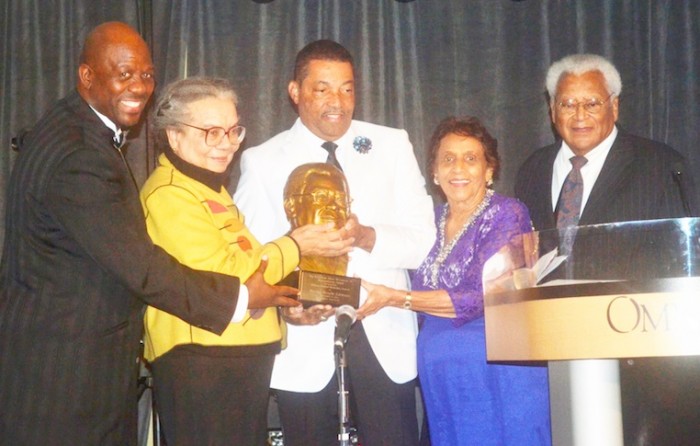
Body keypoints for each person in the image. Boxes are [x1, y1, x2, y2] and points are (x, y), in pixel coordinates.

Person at [0, 23, 296, 446]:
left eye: (146, 74)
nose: (138, 86)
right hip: (63, 375)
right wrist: (244, 296)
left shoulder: (78, 135)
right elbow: (144, 270)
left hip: (73, 366)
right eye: (124, 74)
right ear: (87, 76)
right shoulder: (80, 154)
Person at [234, 39, 435, 445]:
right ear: (296, 92)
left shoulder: (392, 145)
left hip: (383, 331)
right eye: (322, 88)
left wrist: (365, 236)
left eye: (347, 88)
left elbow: (423, 240)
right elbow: (251, 260)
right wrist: (287, 310)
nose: (337, 101)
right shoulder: (263, 160)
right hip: (305, 338)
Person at [515, 53, 700, 445]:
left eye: (592, 102)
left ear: (614, 106)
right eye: (567, 103)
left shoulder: (661, 165)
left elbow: (681, 264)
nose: (579, 114)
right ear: (551, 110)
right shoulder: (532, 170)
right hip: (557, 361)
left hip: (643, 370)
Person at [140, 77, 323, 445]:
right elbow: (227, 275)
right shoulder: (168, 195)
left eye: (233, 131)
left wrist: (287, 303)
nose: (226, 145)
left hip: (234, 357)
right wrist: (294, 244)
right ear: (174, 136)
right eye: (211, 132)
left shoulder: (210, 189)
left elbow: (253, 276)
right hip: (202, 362)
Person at [361, 116, 551, 445]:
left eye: (471, 158)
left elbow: (481, 296)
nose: (458, 168)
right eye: (448, 159)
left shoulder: (508, 214)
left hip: (497, 370)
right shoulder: (427, 222)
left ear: (490, 170)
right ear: (434, 172)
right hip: (442, 375)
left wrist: (395, 297)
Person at [284, 162, 351, 276]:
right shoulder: (279, 259)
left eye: (340, 199)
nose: (334, 205)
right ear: (291, 206)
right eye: (321, 197)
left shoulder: (351, 260)